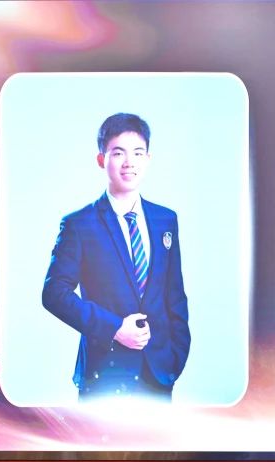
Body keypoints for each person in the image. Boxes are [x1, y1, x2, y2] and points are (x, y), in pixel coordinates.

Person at [42, 113, 191, 400]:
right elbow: (54, 294)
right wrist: (114, 328)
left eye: (138, 153)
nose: (129, 162)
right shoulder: (79, 224)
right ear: (102, 159)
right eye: (118, 153)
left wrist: (175, 357)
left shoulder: (165, 220)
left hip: (158, 373)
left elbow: (174, 294)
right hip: (105, 373)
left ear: (148, 159)